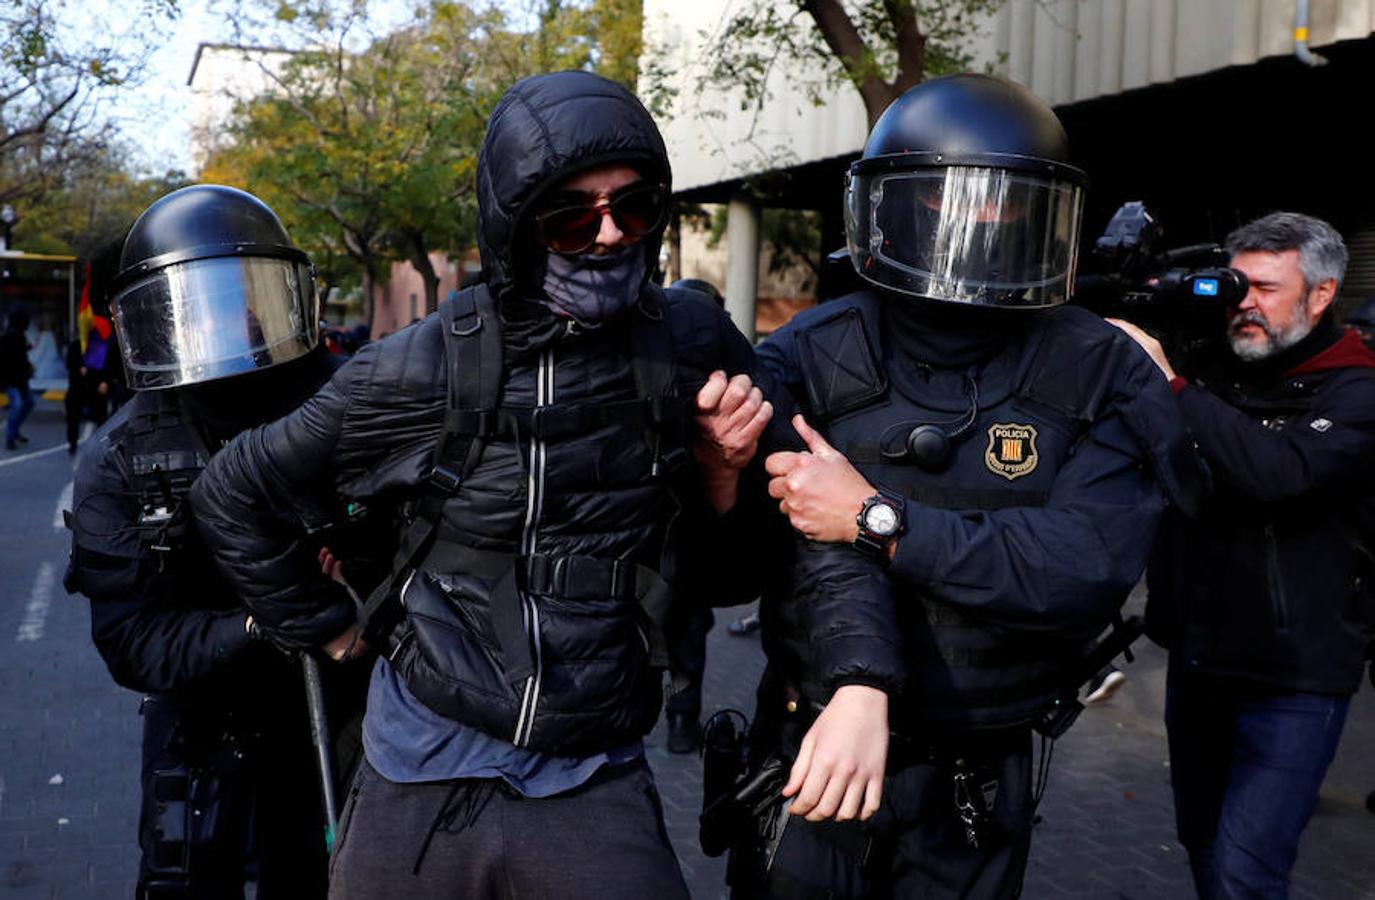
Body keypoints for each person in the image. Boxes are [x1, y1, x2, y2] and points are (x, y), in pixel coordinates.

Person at [188, 70, 771, 898]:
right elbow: (231, 492)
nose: (609, 234)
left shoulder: (691, 340)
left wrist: (723, 480)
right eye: (572, 216)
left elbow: (738, 574)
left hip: (593, 770)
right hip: (421, 760)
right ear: (516, 225)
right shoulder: (418, 365)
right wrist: (325, 626)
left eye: (634, 207)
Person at [731, 73, 1194, 899]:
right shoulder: (806, 353)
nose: (977, 226)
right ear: (889, 205)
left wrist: (876, 519)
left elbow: (1077, 568)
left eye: (1005, 204)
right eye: (947, 199)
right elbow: (786, 548)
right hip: (819, 739)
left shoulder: (1101, 368)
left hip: (976, 762)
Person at [64, 184, 368, 898]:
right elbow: (132, 641)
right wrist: (270, 623)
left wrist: (366, 593)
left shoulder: (352, 403)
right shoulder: (123, 455)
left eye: (239, 294)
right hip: (204, 713)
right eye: (195, 303)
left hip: (350, 702)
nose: (223, 321)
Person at [1111, 211, 1375, 899]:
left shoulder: (1356, 388)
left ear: (1321, 295)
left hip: (1295, 677)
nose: (1243, 303)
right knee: (1203, 846)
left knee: (1244, 870)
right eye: (1235, 284)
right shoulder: (1212, 366)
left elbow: (1281, 473)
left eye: (1265, 288)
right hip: (1199, 661)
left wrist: (1171, 386)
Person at [1, 305, 36, 450]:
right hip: (11, 380)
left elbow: (21, 357)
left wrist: (28, 366)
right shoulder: (8, 337)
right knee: (16, 406)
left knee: (29, 403)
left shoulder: (20, 335)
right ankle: (10, 438)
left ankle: (14, 431)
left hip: (21, 379)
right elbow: (8, 359)